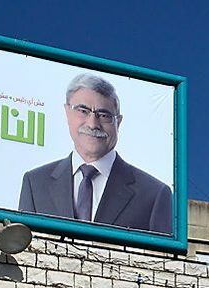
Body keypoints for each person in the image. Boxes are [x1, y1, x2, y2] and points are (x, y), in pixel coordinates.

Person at [19, 73, 172, 234]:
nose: (93, 124)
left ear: (118, 123)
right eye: (83, 110)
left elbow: (161, 258)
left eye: (104, 115)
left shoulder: (153, 194)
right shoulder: (35, 184)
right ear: (67, 112)